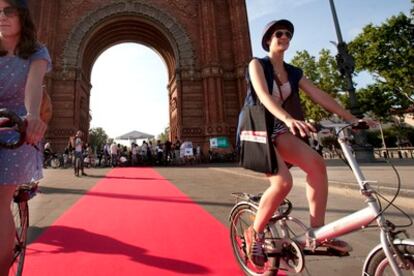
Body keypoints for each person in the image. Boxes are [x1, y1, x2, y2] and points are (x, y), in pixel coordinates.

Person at [242, 19, 374, 268]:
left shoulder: (293, 72)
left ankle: (318, 233)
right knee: (283, 182)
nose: (285, 37)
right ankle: (255, 233)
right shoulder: (256, 64)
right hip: (257, 128)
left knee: (317, 164)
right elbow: (263, 96)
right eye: (279, 33)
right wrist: (288, 118)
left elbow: (320, 95)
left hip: (280, 127)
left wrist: (352, 119)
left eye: (288, 34)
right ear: (268, 39)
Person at [0, 0, 52, 274]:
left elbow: (34, 89)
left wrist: (32, 116)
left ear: (22, 15)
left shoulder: (36, 52)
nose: (1, 17)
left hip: (17, 127)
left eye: (8, 11)